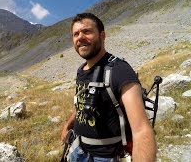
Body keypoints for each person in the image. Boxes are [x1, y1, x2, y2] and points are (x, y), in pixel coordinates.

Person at [61, 13, 156, 162]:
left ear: (102, 35)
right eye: (76, 34)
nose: (80, 37)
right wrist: (67, 126)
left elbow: (142, 130)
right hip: (76, 149)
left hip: (104, 157)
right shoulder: (82, 69)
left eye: (87, 31)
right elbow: (82, 102)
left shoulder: (120, 70)